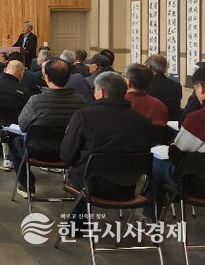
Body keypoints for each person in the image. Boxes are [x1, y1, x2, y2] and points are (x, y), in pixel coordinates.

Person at [61, 71, 153, 220]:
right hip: (127, 187)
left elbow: (67, 154)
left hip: (89, 186)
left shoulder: (84, 116)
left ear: (102, 92)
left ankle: (77, 223)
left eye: (95, 89)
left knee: (82, 172)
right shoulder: (143, 122)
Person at [9, 58, 87, 196]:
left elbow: (22, 125)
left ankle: (27, 185)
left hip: (37, 150)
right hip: (69, 152)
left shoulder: (36, 100)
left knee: (13, 141)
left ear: (47, 78)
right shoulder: (81, 101)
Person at [147, 66, 205, 218]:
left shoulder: (197, 119)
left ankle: (152, 217)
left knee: (156, 164)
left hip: (198, 185)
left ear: (201, 88)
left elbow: (175, 155)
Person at [145, 54, 182, 120]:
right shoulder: (176, 85)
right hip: (173, 121)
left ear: (149, 67)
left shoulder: (146, 84)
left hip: (153, 121)